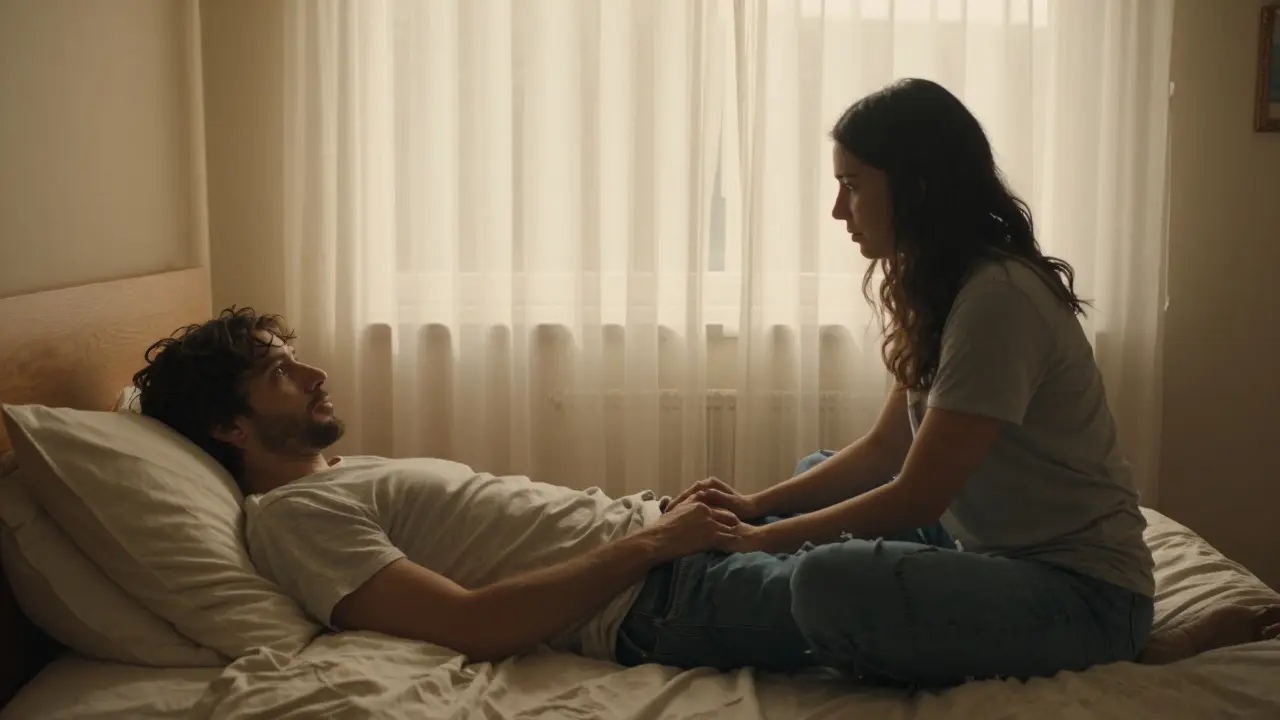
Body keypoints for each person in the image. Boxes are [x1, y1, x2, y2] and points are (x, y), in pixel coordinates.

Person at [130, 79, 1271, 687]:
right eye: (282, 371)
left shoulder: (987, 296)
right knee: (832, 574)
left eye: (850, 185)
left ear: (912, 186)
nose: (838, 210)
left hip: (673, 555)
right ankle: (1101, 628)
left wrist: (728, 522)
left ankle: (1110, 626)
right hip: (652, 582)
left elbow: (902, 480)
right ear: (234, 423)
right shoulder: (297, 517)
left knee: (821, 499)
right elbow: (473, 629)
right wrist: (691, 540)